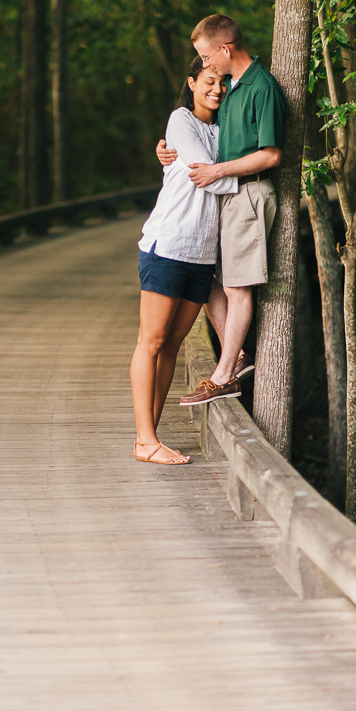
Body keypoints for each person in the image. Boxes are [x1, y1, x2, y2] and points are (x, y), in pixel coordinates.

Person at [157, 14, 285, 406]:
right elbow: (205, 135)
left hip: (246, 194)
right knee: (207, 278)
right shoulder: (232, 86)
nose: (206, 65)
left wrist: (217, 172)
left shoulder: (261, 87)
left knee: (236, 286)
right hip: (225, 199)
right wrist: (167, 154)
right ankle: (236, 355)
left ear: (225, 49)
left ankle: (225, 373)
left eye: (208, 56)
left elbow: (271, 154)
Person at [130, 56, 238, 465]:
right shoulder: (181, 120)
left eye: (224, 82)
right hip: (169, 245)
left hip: (200, 255)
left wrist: (230, 169)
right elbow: (203, 172)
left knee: (172, 344)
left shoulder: (225, 126)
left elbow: (219, 170)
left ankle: (150, 436)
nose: (217, 89)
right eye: (209, 81)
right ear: (192, 83)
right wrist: (250, 169)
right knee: (152, 341)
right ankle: (144, 441)